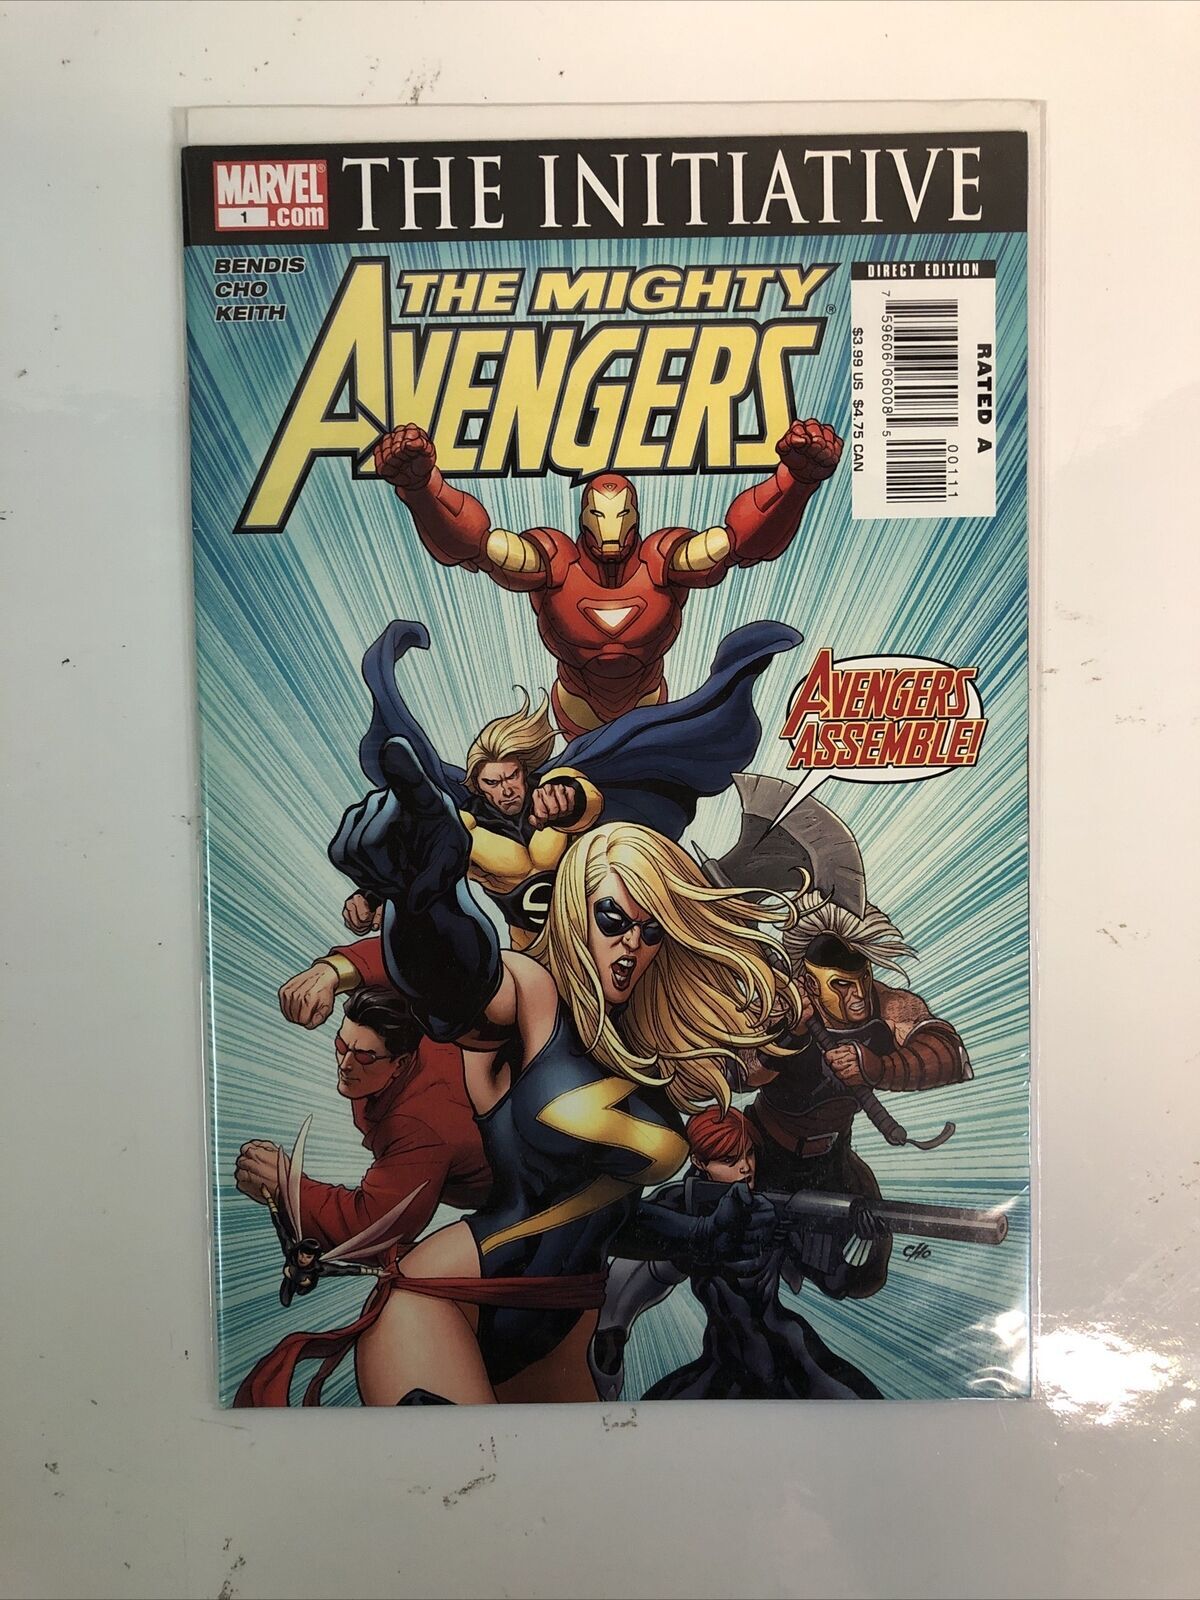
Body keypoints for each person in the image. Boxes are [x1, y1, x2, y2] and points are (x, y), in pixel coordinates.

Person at [303, 739, 793, 1405]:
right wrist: (423, 900)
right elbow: (460, 982)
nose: (632, 943)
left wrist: (701, 1236)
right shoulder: (536, 999)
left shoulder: (647, 1061)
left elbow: (606, 1214)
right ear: (573, 911)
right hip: (445, 1303)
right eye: (613, 918)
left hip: (562, 1326)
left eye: (652, 931)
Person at [372, 420, 840, 734]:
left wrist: (794, 484)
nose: (610, 528)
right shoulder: (554, 562)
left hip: (649, 711)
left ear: (635, 515)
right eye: (598, 515)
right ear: (584, 517)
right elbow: (480, 548)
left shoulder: (662, 561)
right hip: (576, 711)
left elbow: (734, 545)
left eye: (620, 514)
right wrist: (423, 488)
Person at [743, 892, 971, 1298]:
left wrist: (879, 1067)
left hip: (833, 1159)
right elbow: (740, 1075)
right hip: (760, 1155)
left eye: (862, 980)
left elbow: (950, 1056)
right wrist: (789, 1035)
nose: (859, 996)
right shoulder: (781, 1005)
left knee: (863, 1277)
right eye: (842, 985)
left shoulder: (889, 1006)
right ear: (810, 982)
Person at [594, 1106, 882, 1401]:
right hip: (724, 1361)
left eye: (749, 1154)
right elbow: (625, 1245)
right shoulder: (683, 1205)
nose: (746, 1167)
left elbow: (834, 1282)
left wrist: (863, 1242)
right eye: (730, 1160)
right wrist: (611, 1336)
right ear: (699, 1162)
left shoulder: (774, 1205)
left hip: (792, 1356)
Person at [235, 985, 491, 1251]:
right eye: (341, 1045)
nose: (345, 1065)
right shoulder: (409, 1021)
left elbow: (373, 1228)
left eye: (364, 1057)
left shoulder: (419, 1125)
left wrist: (287, 1190)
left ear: (400, 1064)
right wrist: (331, 973)